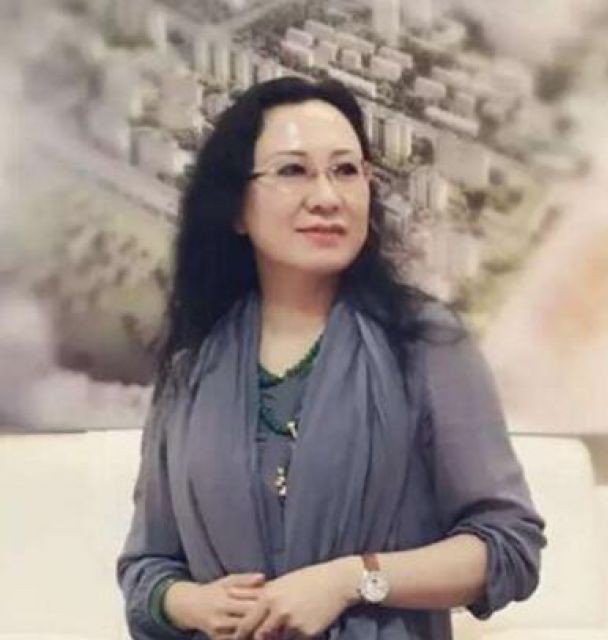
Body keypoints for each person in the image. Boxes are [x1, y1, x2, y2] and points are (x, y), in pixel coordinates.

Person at [117, 76, 546, 640]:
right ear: (237, 207)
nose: (327, 196)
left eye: (346, 170)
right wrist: (192, 604)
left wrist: (353, 579)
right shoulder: (192, 366)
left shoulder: (425, 343)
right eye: (293, 171)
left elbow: (510, 546)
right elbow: (146, 571)